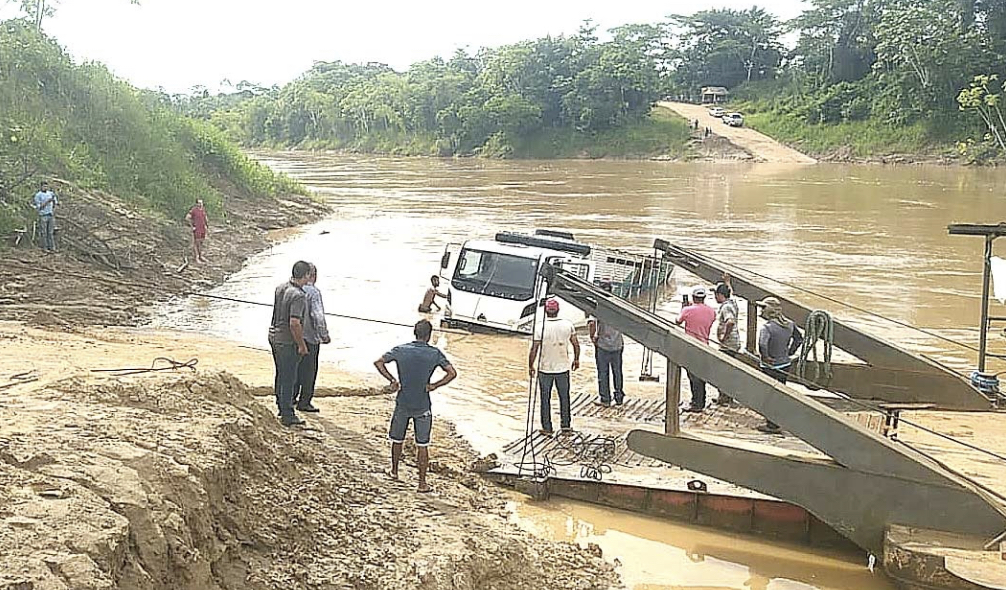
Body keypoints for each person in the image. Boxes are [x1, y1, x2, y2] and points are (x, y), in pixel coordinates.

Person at [374, 320, 457, 493]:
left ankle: (394, 471)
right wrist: (435, 385)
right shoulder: (434, 354)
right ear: (429, 335)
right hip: (422, 403)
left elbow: (379, 362)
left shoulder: (401, 349)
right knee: (422, 444)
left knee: (397, 439)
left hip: (403, 400)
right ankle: (421, 483)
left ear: (414, 332)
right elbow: (452, 373)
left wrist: (392, 380)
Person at [268, 261, 312, 426]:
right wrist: (301, 344)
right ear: (306, 275)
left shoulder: (281, 287)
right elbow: (294, 323)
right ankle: (287, 413)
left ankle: (281, 406)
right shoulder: (299, 296)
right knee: (289, 377)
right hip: (287, 341)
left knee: (281, 374)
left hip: (274, 336)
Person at [528, 299, 580, 435]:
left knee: (545, 399)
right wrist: (576, 359)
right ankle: (566, 426)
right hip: (563, 368)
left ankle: (547, 428)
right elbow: (576, 344)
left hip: (545, 369)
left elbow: (534, 349)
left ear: (545, 311)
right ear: (558, 310)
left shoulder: (540, 327)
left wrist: (530, 366)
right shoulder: (568, 325)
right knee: (564, 397)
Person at [755, 296, 804, 434]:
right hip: (784, 364)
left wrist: (765, 357)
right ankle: (776, 420)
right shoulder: (789, 324)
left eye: (763, 308)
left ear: (770, 310)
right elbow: (799, 339)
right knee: (780, 393)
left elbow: (762, 344)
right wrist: (789, 352)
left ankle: (772, 425)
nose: (761, 310)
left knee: (769, 395)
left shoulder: (767, 328)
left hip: (769, 366)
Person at [293, 263, 331, 413]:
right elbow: (318, 316)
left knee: (295, 368)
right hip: (310, 337)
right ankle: (305, 402)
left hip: (294, 336)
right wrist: (324, 335)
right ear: (312, 275)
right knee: (309, 371)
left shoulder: (291, 288)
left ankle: (292, 397)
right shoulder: (314, 293)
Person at [675, 286, 717, 412]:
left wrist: (684, 308)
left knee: (693, 377)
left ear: (693, 297)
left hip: (691, 348)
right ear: (704, 298)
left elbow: (677, 321)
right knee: (701, 376)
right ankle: (701, 401)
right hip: (705, 346)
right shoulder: (711, 311)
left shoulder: (687, 310)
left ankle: (696, 403)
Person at [589, 284, 625, 407]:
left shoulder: (598, 305)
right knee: (617, 371)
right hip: (618, 344)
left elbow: (592, 323)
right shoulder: (618, 305)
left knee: (603, 372)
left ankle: (605, 399)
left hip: (603, 345)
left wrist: (593, 337)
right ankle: (619, 398)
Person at [714, 278, 740, 406]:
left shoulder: (726, 308)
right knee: (728, 370)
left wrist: (724, 337)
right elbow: (731, 292)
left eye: (715, 295)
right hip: (734, 342)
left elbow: (730, 321)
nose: (714, 297)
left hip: (728, 344)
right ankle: (726, 396)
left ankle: (724, 397)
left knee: (722, 371)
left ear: (720, 295)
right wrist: (727, 281)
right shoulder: (732, 302)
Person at [32, 182, 58, 252]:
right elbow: (39, 207)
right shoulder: (38, 195)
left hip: (50, 215)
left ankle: (52, 247)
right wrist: (47, 201)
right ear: (41, 187)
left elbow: (55, 203)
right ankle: (45, 247)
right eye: (44, 186)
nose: (45, 188)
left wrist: (54, 209)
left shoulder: (51, 194)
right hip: (43, 215)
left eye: (46, 186)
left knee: (50, 232)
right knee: (44, 232)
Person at [185, 199, 208, 263]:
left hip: (202, 228)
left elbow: (205, 218)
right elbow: (187, 218)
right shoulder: (193, 210)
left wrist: (206, 225)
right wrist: (192, 226)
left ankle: (201, 256)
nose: (200, 204)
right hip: (197, 228)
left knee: (201, 242)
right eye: (199, 203)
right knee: (196, 243)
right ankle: (196, 257)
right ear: (196, 204)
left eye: (201, 203)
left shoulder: (203, 210)